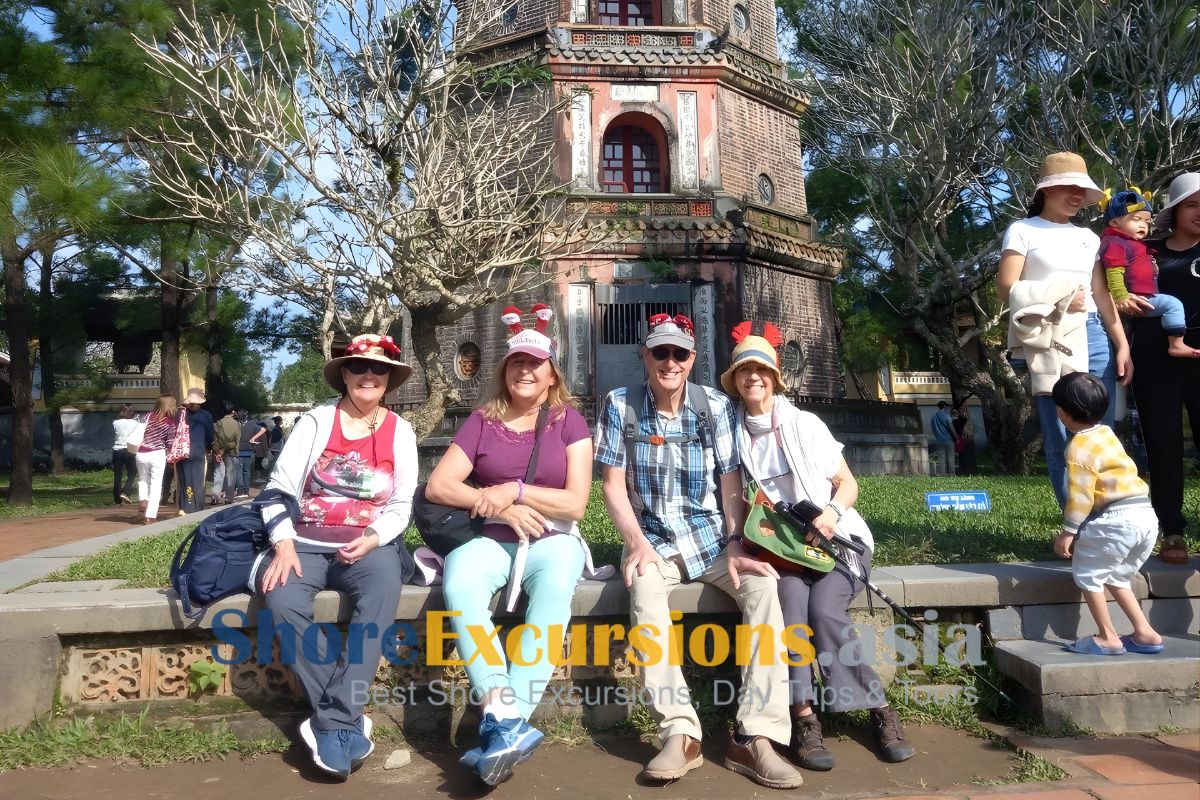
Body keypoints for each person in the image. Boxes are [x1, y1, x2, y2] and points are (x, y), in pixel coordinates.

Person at [596, 313, 804, 790]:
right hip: (655, 541)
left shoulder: (713, 405)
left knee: (764, 591)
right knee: (645, 594)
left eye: (680, 353)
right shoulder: (620, 404)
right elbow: (611, 486)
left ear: (693, 359)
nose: (670, 362)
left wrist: (736, 543)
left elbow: (731, 481)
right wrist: (636, 542)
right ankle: (680, 732)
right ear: (645, 355)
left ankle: (755, 736)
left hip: (713, 540)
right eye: (660, 352)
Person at [721, 321, 915, 772]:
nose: (754, 378)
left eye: (761, 370)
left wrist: (827, 517)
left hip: (836, 543)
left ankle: (879, 710)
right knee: (790, 610)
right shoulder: (733, 435)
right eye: (745, 371)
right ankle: (803, 717)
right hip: (783, 551)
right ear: (735, 381)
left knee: (825, 612)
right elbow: (733, 495)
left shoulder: (804, 424)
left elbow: (847, 484)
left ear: (774, 377)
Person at [425, 305, 594, 786]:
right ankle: (507, 721)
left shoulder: (569, 423)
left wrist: (515, 490)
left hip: (552, 538)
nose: (525, 370)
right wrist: (493, 503)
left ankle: (501, 726)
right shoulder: (483, 419)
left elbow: (576, 503)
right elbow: (440, 486)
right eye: (517, 362)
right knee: (460, 587)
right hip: (488, 538)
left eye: (534, 364)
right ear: (506, 370)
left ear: (550, 374)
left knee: (554, 596)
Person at [256, 333, 417, 781]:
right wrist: (283, 542)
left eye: (379, 369)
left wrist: (373, 536)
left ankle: (331, 720)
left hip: (368, 544)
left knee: (382, 592)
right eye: (359, 367)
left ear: (388, 380)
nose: (369, 375)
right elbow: (279, 489)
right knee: (282, 600)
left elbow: (402, 504)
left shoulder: (399, 430)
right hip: (304, 541)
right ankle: (344, 718)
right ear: (343, 374)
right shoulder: (315, 421)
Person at [998, 151, 1133, 508]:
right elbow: (1007, 287)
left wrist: (1121, 343)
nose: (1076, 195)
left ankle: (1108, 518)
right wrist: (1058, 298)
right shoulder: (1023, 230)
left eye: (1081, 189)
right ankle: (1078, 526)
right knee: (1061, 436)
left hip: (1093, 334)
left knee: (1100, 433)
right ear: (1046, 190)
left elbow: (1102, 295)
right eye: (1067, 187)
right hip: (1050, 339)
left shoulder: (1088, 237)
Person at [1051, 372, 1163, 656]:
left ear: (1062, 412)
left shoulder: (1077, 448)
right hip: (1145, 516)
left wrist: (1068, 531)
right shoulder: (1106, 433)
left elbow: (1081, 495)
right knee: (1116, 575)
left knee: (1088, 573)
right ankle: (1145, 633)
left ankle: (1107, 636)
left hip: (1116, 520)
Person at [1125, 172, 1200, 564]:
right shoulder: (1146, 249)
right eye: (1192, 204)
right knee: (1163, 447)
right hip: (1155, 360)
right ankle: (1172, 531)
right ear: (1174, 209)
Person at [1100, 186, 1199, 358]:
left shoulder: (1136, 245)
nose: (1143, 226)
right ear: (1114, 221)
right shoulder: (1119, 243)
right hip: (1139, 308)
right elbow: (1112, 272)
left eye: (1146, 221)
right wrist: (1120, 296)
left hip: (1140, 304)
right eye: (1137, 219)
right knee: (1172, 304)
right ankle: (1176, 344)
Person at [135, 394, 179, 524]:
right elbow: (170, 443)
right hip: (157, 453)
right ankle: (151, 516)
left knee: (143, 478)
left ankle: (143, 499)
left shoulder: (148, 416)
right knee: (156, 484)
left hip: (141, 452)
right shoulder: (170, 423)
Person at [177, 388, 214, 514]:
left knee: (185, 478)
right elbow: (210, 435)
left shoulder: (180, 414)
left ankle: (186, 505)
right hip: (199, 450)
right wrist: (209, 447)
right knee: (198, 479)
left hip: (182, 451)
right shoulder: (206, 415)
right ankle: (197, 507)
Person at [213, 405, 241, 505]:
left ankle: (215, 497)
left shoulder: (217, 423)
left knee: (218, 474)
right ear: (233, 411)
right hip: (231, 452)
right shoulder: (237, 424)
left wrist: (217, 452)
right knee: (230, 475)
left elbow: (214, 440)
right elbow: (237, 440)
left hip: (218, 451)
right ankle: (228, 498)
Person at [111, 404, 139, 505]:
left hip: (117, 449)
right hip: (130, 449)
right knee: (132, 472)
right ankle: (126, 492)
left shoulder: (115, 423)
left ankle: (116, 499)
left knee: (117, 475)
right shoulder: (135, 423)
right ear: (132, 412)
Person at [236, 410, 264, 499]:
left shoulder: (237, 424)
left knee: (239, 471)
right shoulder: (252, 424)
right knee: (246, 471)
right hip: (248, 449)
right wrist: (254, 438)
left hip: (238, 450)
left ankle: (240, 491)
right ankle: (246, 491)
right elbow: (263, 429)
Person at [929, 401, 956, 476]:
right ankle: (951, 474)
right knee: (950, 457)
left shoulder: (934, 417)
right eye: (947, 407)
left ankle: (942, 473)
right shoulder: (947, 416)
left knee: (941, 458)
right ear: (944, 407)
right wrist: (956, 437)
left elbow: (933, 429)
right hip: (949, 440)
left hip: (939, 440)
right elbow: (951, 428)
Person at [952, 403, 977, 475]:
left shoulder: (951, 420)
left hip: (955, 438)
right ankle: (963, 469)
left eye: (955, 413)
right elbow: (965, 418)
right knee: (961, 453)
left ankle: (961, 469)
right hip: (958, 437)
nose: (954, 414)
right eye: (954, 413)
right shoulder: (960, 420)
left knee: (959, 454)